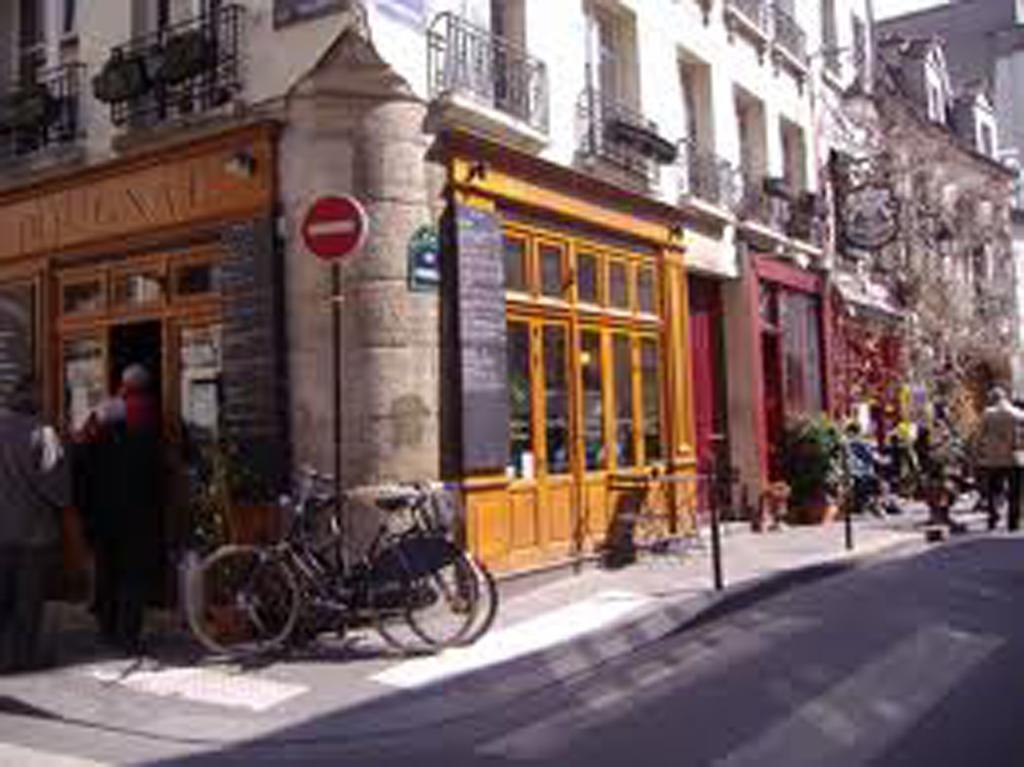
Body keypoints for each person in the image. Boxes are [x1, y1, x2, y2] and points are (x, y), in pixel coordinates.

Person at [87, 364, 162, 652]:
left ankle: (106, 629)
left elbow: (84, 472)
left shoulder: (99, 441)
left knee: (108, 571)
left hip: (105, 515)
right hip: (137, 515)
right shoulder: (148, 431)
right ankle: (128, 635)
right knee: (132, 576)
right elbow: (156, 476)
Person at [0, 378, 71, 672]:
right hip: (33, 533)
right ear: (35, 401)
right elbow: (59, 489)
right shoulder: (44, 433)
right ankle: (21, 657)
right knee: (28, 600)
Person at [972, 386, 1024, 531]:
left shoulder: (987, 414)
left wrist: (976, 454)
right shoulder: (1019, 414)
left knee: (993, 490)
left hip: (992, 459)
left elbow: (979, 437)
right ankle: (1014, 522)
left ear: (992, 399)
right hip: (1015, 459)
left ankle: (993, 517)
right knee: (1015, 492)